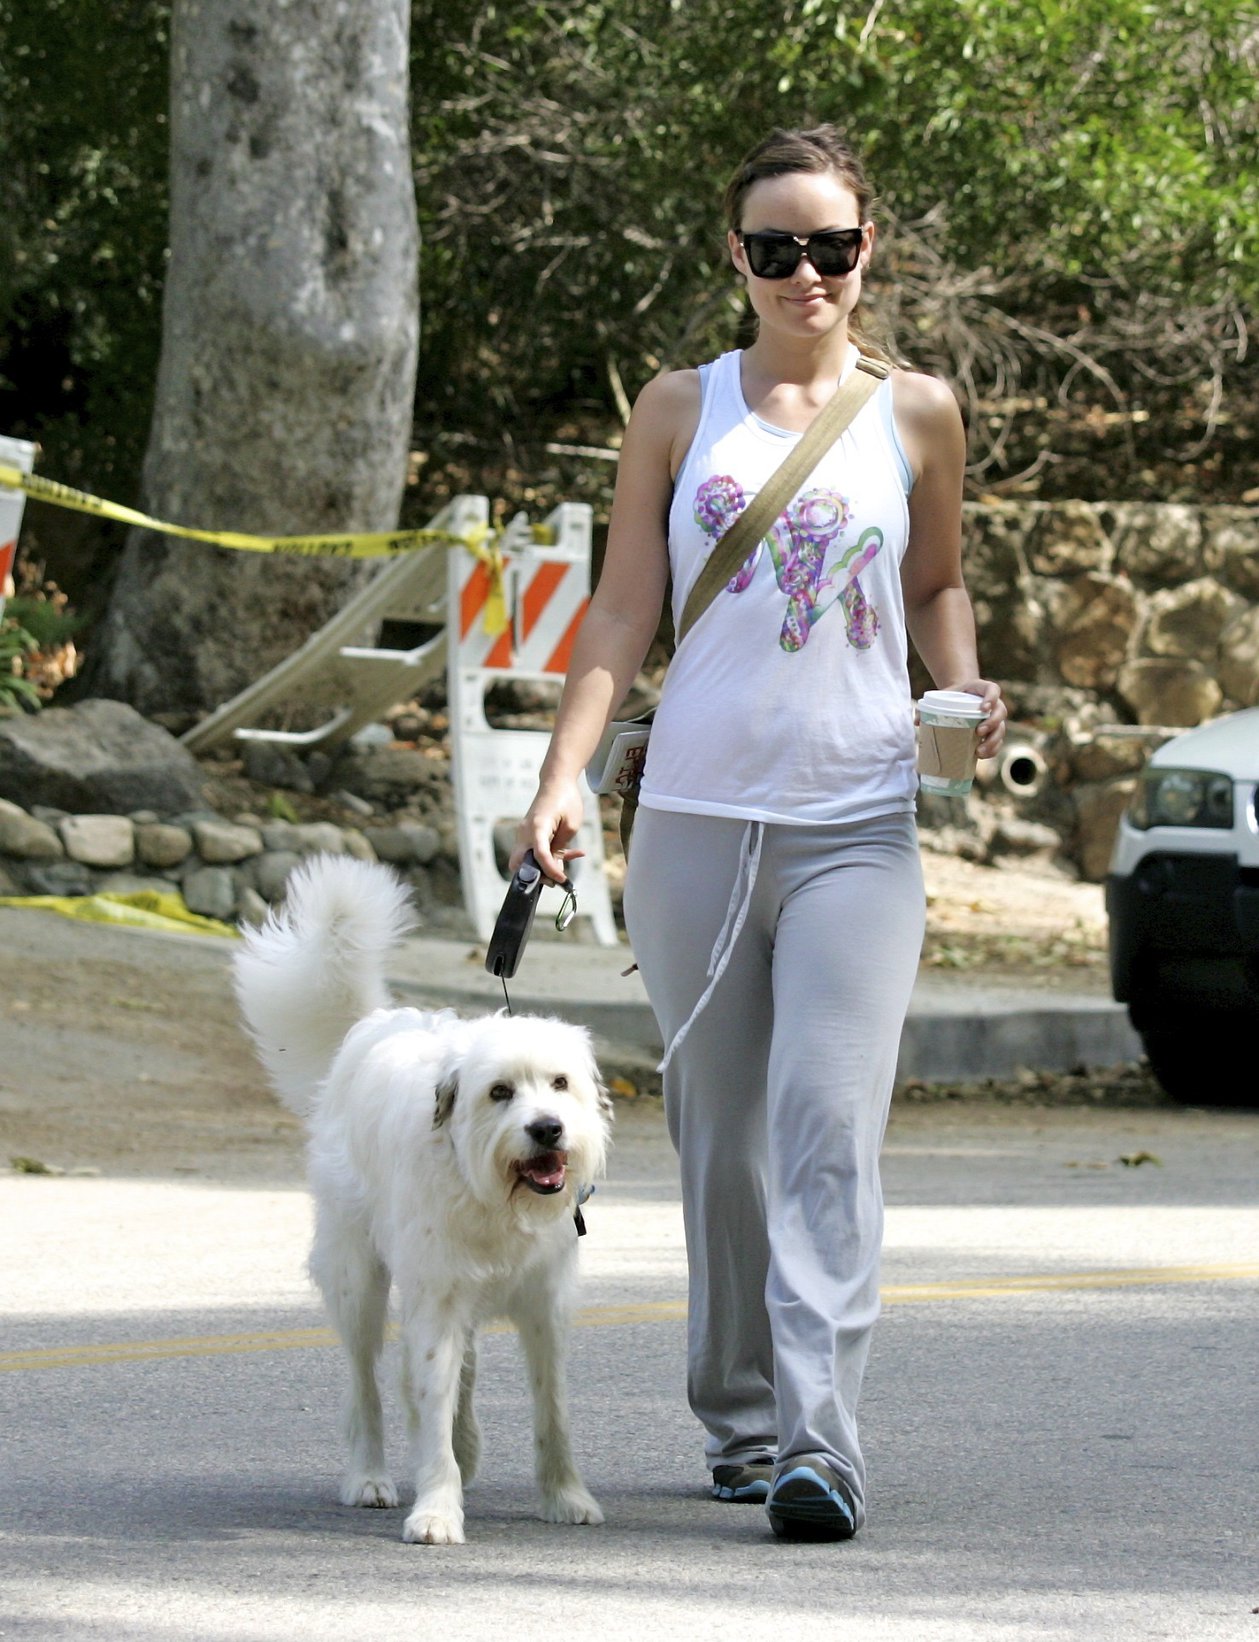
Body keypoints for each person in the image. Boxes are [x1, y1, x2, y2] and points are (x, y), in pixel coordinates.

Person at [513, 125, 1007, 1541]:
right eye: (777, 247)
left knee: (824, 1129)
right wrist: (563, 776)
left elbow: (937, 585)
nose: (807, 272)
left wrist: (959, 688)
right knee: (719, 1132)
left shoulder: (919, 411)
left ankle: (818, 1440)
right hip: (693, 824)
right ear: (737, 257)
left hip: (857, 822)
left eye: (832, 246)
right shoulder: (679, 409)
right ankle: (734, 1413)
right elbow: (620, 610)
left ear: (869, 251)